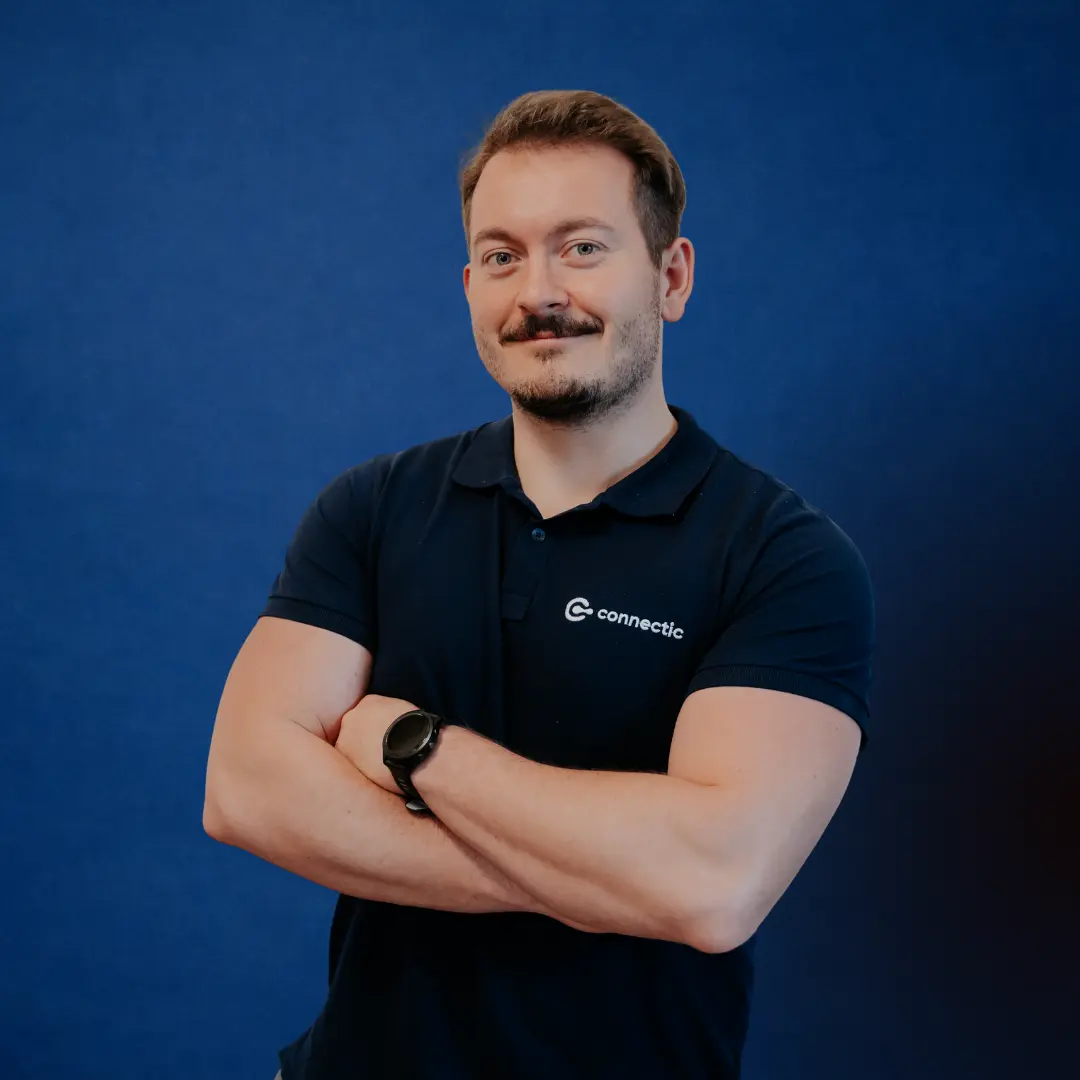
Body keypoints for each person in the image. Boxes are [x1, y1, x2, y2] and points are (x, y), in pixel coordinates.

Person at [204, 89, 875, 1080]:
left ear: (672, 276)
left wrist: (413, 746)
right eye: (502, 256)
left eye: (583, 247)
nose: (539, 292)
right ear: (469, 285)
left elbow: (710, 886)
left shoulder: (783, 557)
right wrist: (602, 877)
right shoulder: (373, 509)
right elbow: (244, 791)